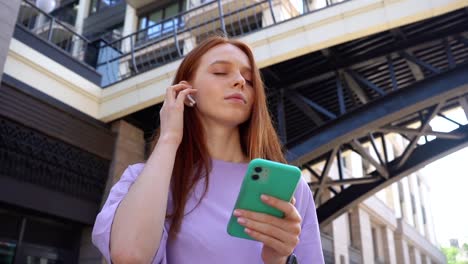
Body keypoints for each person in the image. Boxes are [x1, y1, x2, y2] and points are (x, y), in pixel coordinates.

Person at [92, 35, 324, 264]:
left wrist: (279, 260)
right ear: (187, 90)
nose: (240, 81)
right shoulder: (143, 180)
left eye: (250, 80)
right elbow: (129, 257)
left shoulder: (291, 189)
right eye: (220, 72)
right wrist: (169, 137)